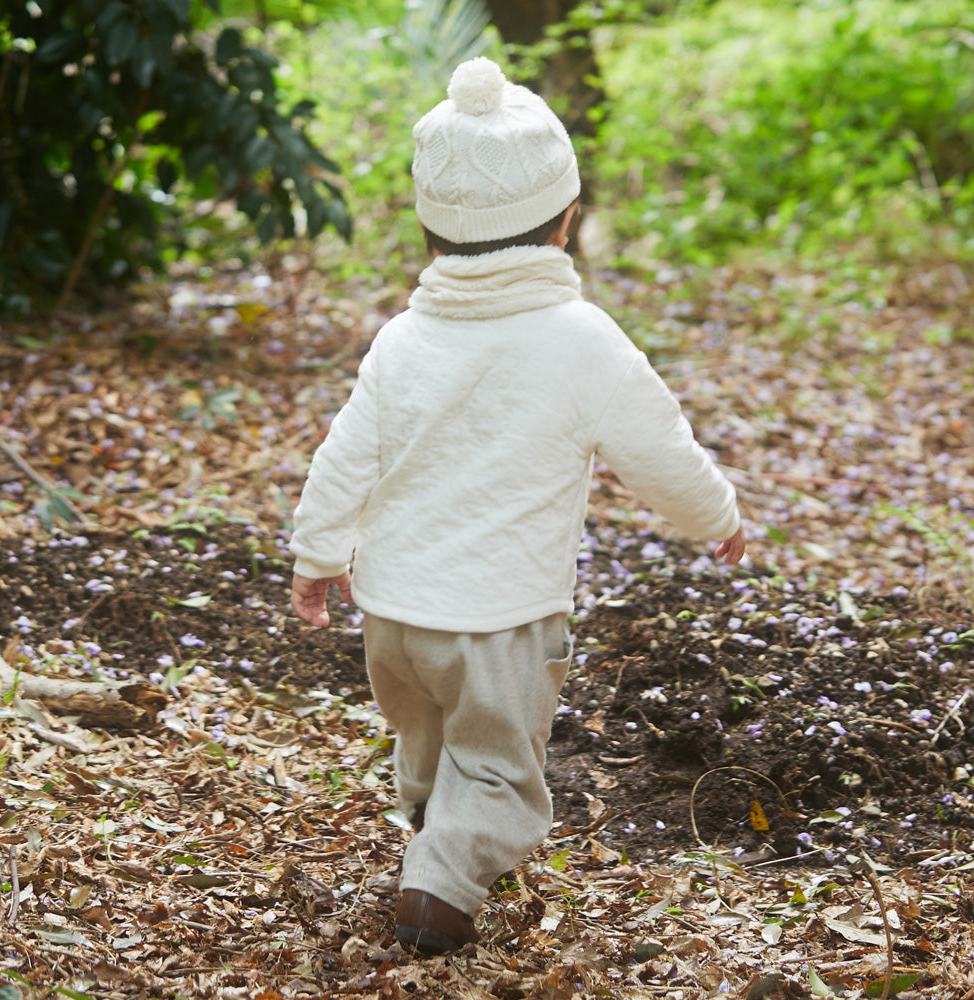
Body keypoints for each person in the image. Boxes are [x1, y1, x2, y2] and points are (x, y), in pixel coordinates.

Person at [288, 56, 746, 955]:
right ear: (566, 221)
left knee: (423, 737)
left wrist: (317, 556)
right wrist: (717, 516)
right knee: (499, 766)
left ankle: (430, 831)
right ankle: (439, 889)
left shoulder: (402, 339)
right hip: (501, 622)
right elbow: (662, 453)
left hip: (392, 617)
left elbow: (344, 455)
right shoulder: (582, 343)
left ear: (429, 232)